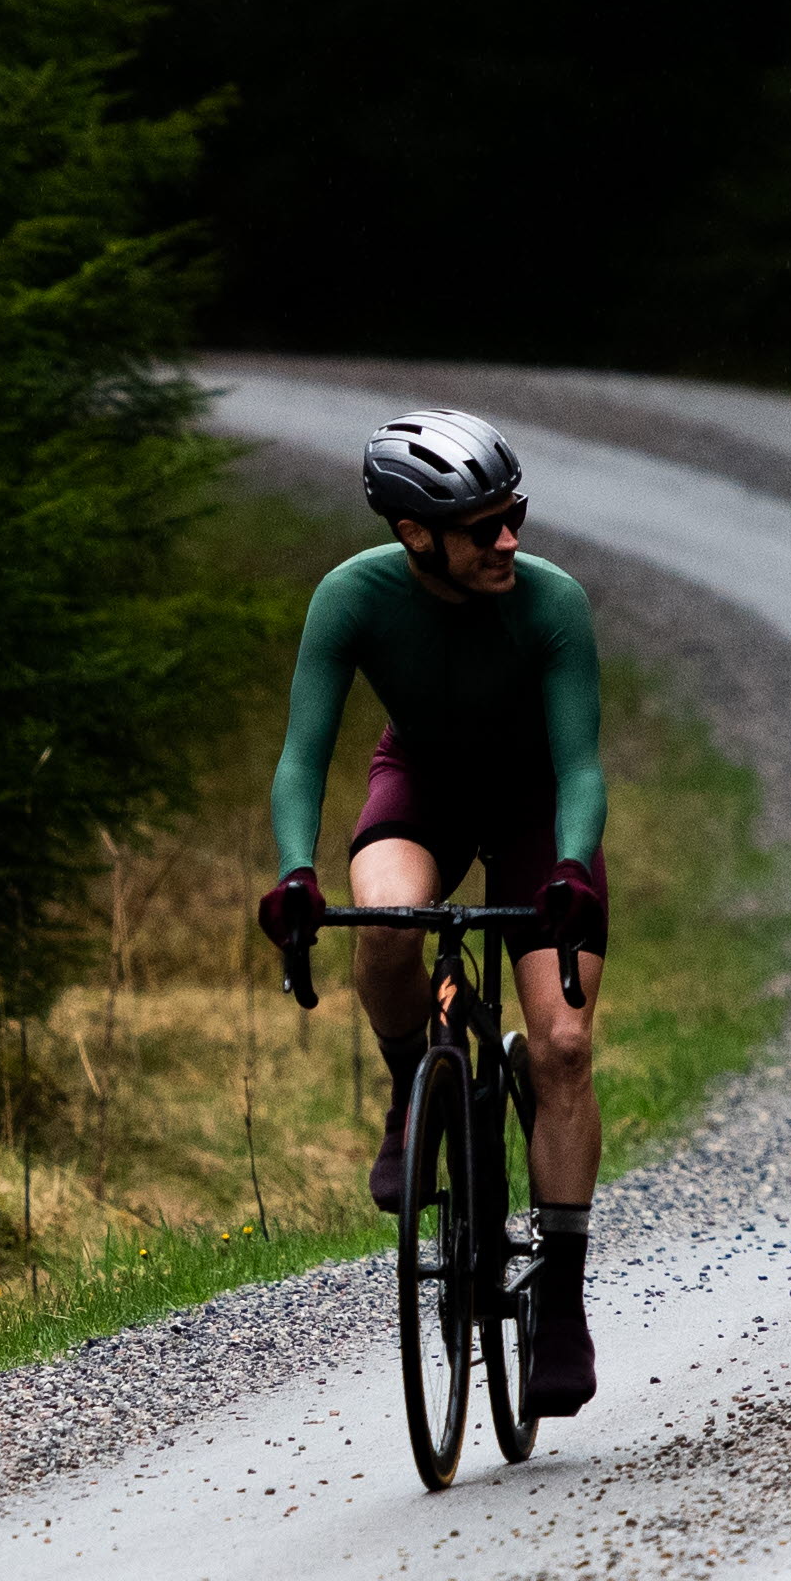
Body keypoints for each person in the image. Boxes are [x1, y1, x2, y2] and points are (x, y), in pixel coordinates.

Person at [255, 402, 616, 1414]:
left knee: (562, 1045)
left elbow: (581, 765)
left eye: (517, 515)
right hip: (423, 783)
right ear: (414, 533)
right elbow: (301, 759)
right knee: (383, 927)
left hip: (537, 804)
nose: (510, 540)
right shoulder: (352, 597)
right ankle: (415, 1091)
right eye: (484, 526)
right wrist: (293, 870)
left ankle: (565, 1303)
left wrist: (574, 867)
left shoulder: (551, 603)